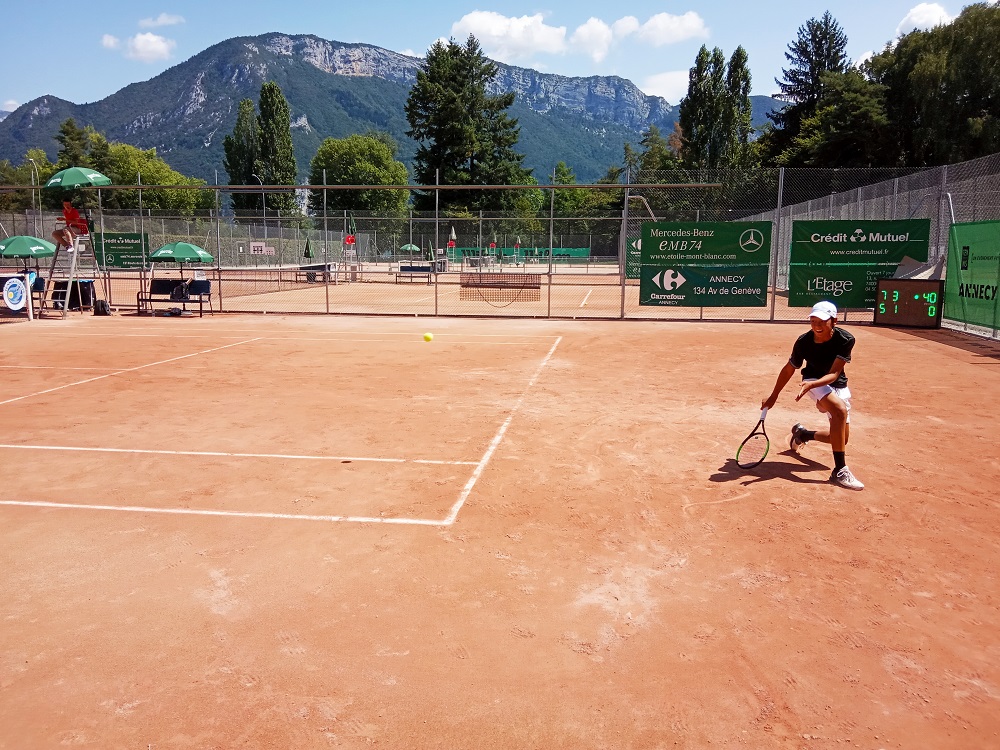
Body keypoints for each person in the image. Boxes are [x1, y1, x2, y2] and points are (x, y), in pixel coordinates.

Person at [761, 300, 864, 490]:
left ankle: (803, 434)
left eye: (822, 322)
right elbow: (789, 369)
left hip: (832, 383)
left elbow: (834, 374)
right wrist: (774, 395)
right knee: (839, 410)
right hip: (812, 379)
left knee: (840, 438)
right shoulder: (803, 342)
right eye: (813, 321)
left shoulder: (846, 339)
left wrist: (813, 386)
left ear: (834, 321)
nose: (817, 326)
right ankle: (840, 471)